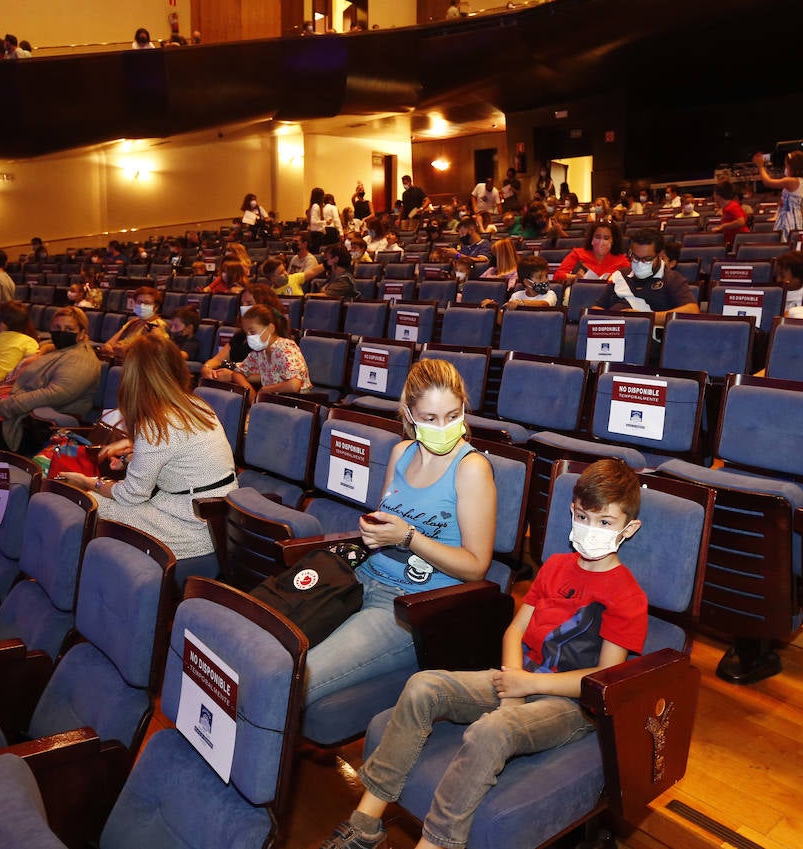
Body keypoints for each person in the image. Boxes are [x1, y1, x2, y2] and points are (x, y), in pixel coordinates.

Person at [322, 458, 646, 849]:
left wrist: (526, 684)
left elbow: (604, 680)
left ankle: (436, 843)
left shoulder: (628, 596)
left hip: (573, 705)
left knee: (492, 730)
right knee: (423, 685)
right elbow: (515, 630)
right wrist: (514, 684)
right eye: (582, 516)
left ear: (629, 529)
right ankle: (365, 824)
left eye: (605, 522)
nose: (590, 530)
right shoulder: (556, 566)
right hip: (517, 676)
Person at [304, 359, 497, 712]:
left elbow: (476, 568)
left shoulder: (471, 469)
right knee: (275, 645)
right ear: (409, 413)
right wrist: (375, 532)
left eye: (453, 416)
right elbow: (386, 521)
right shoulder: (401, 452)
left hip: (412, 606)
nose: (444, 427)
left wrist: (408, 537)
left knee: (300, 677)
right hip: (360, 579)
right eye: (430, 419)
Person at [55, 333, 234, 585]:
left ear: (134, 376)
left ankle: (78, 586)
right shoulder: (196, 404)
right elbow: (177, 458)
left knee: (83, 504)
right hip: (212, 522)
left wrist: (89, 482)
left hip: (189, 531)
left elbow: (131, 495)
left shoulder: (157, 425)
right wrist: (134, 453)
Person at [0, 307, 103, 454]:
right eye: (57, 327)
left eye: (69, 328)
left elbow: (53, 394)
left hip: (37, 422)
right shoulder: (56, 350)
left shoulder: (82, 359)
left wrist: (2, 407)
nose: (61, 332)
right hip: (21, 409)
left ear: (82, 333)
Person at [599, 231, 700, 325]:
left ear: (660, 255)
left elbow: (692, 311)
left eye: (647, 259)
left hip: (647, 335)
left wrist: (645, 317)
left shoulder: (672, 278)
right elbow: (597, 307)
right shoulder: (619, 275)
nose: (640, 263)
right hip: (613, 333)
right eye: (636, 257)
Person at [231, 303, 309, 399]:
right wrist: (251, 393)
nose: (249, 337)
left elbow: (294, 385)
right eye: (246, 333)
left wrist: (266, 390)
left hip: (297, 404)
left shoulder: (286, 347)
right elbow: (237, 373)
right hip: (273, 403)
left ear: (271, 328)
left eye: (252, 332)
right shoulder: (258, 352)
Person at [755, 149, 803, 239]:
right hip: (799, 222)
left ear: (793, 167)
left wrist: (761, 167)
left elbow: (768, 182)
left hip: (787, 222)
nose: (785, 169)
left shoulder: (791, 181)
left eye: (787, 166)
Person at [99, 286, 167, 361]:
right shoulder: (133, 322)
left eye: (147, 303)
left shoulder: (158, 325)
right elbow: (108, 344)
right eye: (139, 302)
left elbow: (154, 354)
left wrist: (125, 350)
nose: (142, 306)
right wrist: (114, 349)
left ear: (156, 307)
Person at [555, 221, 630, 282]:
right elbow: (557, 276)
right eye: (597, 237)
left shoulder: (621, 260)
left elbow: (631, 280)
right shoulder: (577, 254)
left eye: (606, 238)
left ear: (613, 241)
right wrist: (574, 277)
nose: (601, 241)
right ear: (591, 239)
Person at [709, 181, 749, 250]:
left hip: (738, 245)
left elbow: (741, 221)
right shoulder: (726, 207)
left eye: (714, 193)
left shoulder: (732, 206)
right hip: (731, 243)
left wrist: (723, 226)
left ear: (718, 195)